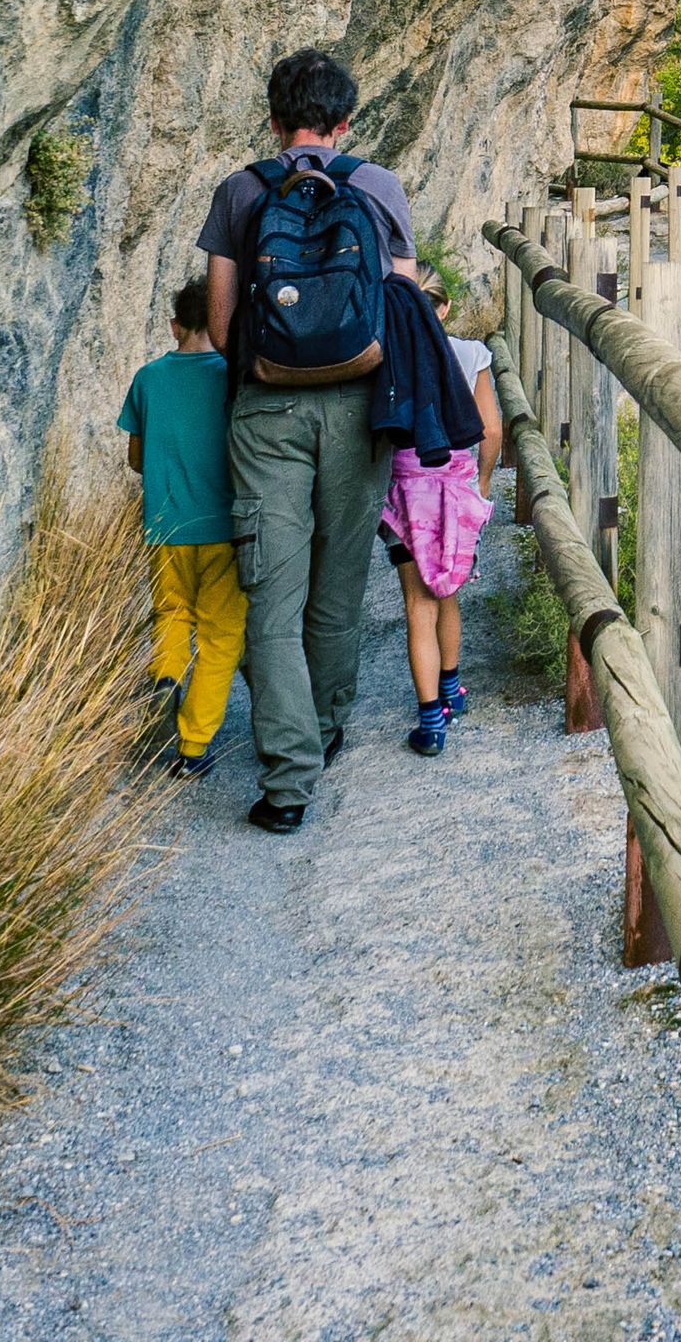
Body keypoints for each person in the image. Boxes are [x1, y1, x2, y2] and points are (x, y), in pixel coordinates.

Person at [200, 47, 422, 835]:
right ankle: (325, 731)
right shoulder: (379, 187)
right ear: (346, 121)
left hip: (266, 411)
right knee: (337, 588)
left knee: (272, 592)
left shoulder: (240, 191)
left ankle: (288, 781)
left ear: (272, 118)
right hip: (362, 407)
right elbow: (402, 301)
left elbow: (224, 325)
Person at [120, 277, 243, 778]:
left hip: (165, 526)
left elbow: (136, 459)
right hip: (223, 526)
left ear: (174, 326)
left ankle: (166, 676)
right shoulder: (232, 377)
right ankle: (193, 746)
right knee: (220, 636)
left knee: (171, 613)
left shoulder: (147, 379)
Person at [382, 269, 500, 755]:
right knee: (448, 589)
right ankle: (453, 688)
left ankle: (431, 721)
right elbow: (489, 430)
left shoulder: (386, 357)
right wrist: (483, 481)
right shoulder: (471, 354)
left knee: (417, 605)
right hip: (455, 486)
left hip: (407, 490)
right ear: (445, 307)